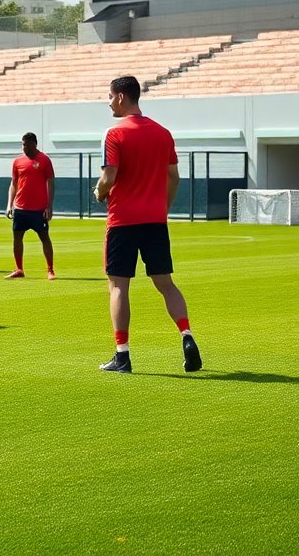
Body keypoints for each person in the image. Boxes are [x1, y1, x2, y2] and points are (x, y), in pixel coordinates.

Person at [93, 76, 202, 374]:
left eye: (110, 96)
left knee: (118, 286)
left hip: (123, 221)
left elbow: (109, 178)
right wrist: (163, 208)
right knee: (166, 283)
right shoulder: (163, 133)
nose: (108, 102)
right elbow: (174, 177)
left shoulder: (114, 133)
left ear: (120, 97)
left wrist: (98, 192)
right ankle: (187, 335)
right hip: (155, 221)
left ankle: (122, 355)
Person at [5, 132, 56, 280]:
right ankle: (19, 269)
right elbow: (13, 184)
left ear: (34, 144)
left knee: (44, 237)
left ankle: (50, 270)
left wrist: (49, 206)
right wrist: (9, 205)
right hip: (20, 208)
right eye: (23, 145)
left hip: (39, 209)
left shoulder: (44, 160)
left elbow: (51, 183)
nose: (24, 147)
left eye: (26, 145)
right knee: (17, 238)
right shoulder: (17, 161)